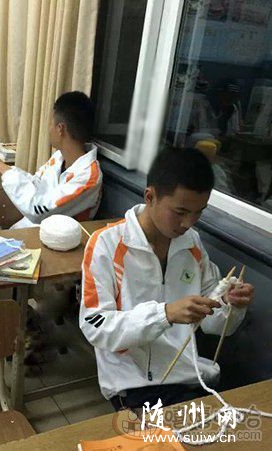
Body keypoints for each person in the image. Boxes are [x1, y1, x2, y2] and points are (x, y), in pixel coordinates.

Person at [79, 147, 254, 410]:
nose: (189, 223)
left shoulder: (191, 244)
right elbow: (96, 326)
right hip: (134, 383)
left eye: (198, 212)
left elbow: (214, 325)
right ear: (150, 196)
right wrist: (165, 314)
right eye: (180, 211)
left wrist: (230, 305)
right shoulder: (107, 244)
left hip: (189, 375)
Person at [0, 91, 103, 228]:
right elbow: (36, 183)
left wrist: (6, 171)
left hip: (50, 238)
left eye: (51, 123)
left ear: (60, 129)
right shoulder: (59, 157)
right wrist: (6, 169)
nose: (49, 129)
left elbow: (37, 210)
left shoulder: (88, 177)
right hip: (27, 230)